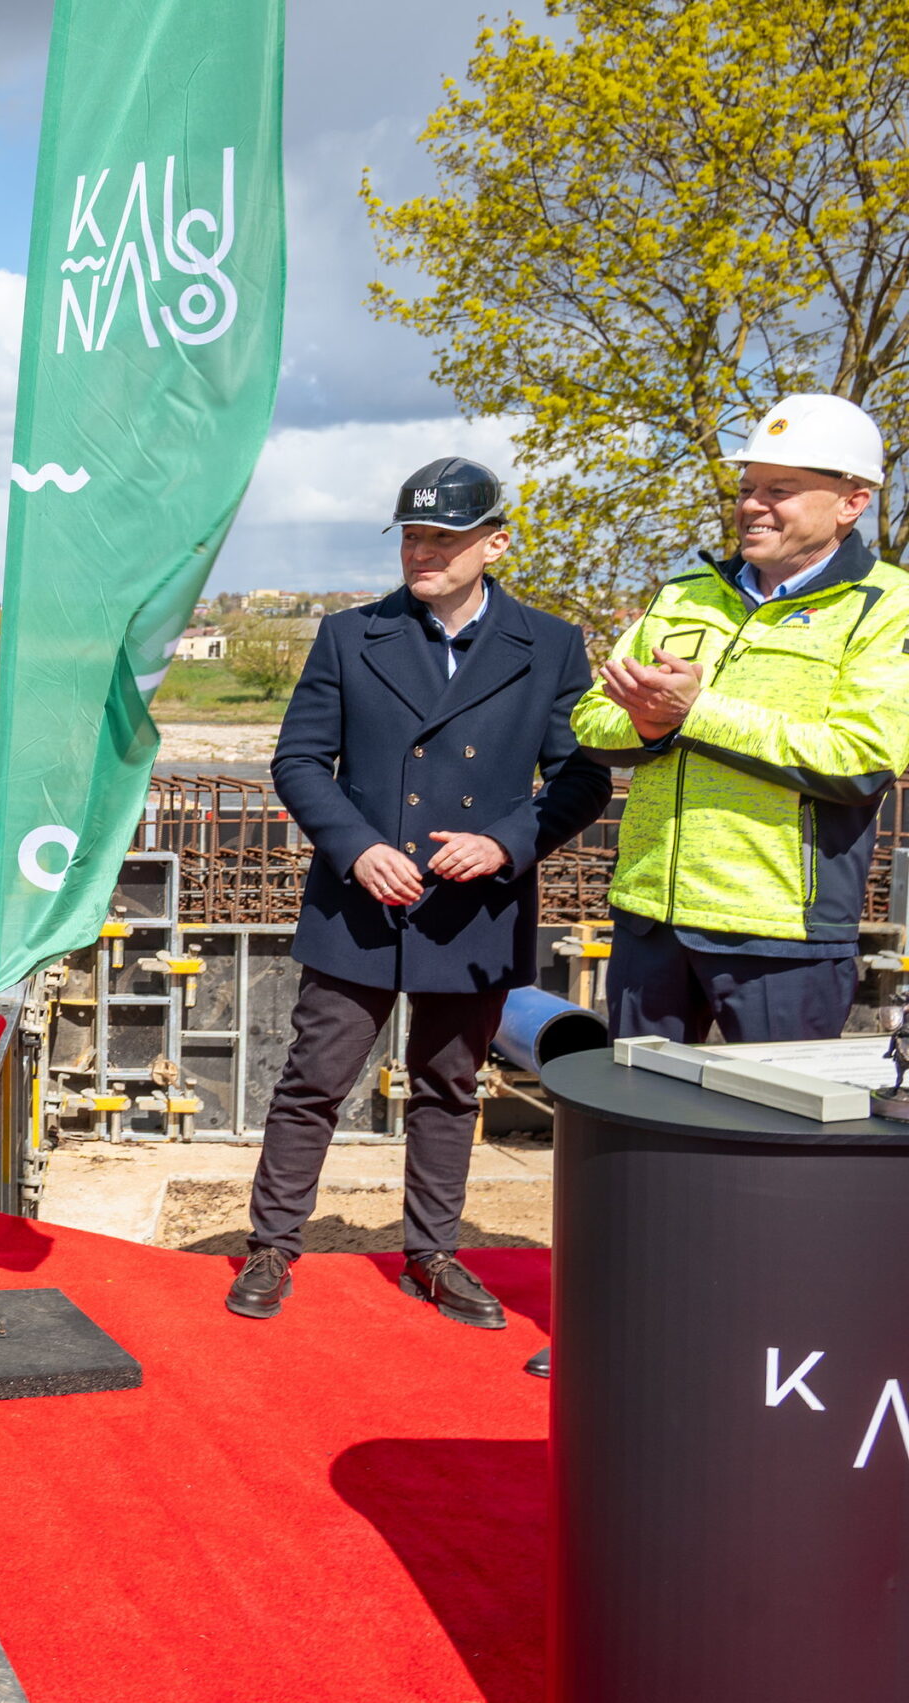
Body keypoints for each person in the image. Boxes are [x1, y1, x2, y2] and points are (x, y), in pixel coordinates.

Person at [228, 457, 611, 1329]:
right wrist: (358, 848)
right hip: (360, 903)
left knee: (449, 1086)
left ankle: (432, 1254)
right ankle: (272, 1244)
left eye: (443, 536)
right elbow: (299, 759)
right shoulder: (349, 634)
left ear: (495, 543)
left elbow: (582, 779)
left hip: (474, 907)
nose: (422, 551)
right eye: (411, 535)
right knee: (313, 1079)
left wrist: (505, 842)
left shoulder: (550, 645)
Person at [575, 393, 909, 1048]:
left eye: (780, 490)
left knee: (779, 1114)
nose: (753, 505)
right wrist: (648, 728)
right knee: (639, 1109)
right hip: (650, 919)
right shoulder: (685, 593)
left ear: (852, 502)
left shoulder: (887, 606)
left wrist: (695, 712)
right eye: (748, 488)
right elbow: (592, 718)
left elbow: (861, 759)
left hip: (781, 935)